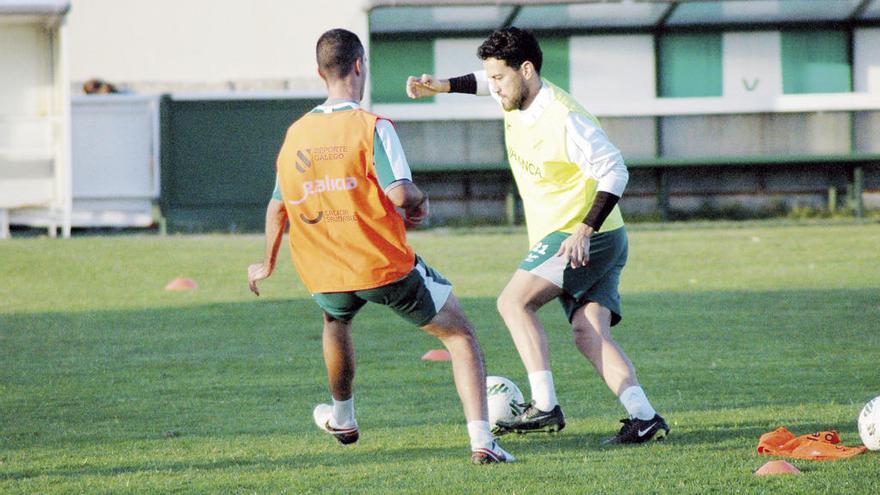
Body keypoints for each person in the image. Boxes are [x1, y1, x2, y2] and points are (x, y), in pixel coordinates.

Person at [247, 28, 513, 464]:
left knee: (336, 322)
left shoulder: (296, 133)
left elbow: (278, 208)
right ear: (359, 66)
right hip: (381, 264)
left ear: (319, 73)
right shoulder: (372, 126)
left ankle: (343, 417)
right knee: (460, 335)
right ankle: (482, 441)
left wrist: (266, 262)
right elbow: (400, 195)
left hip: (324, 269)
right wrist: (421, 201)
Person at [405, 27, 668, 445]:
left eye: (499, 78)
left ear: (525, 69)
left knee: (513, 302)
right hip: (599, 236)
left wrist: (584, 228)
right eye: (489, 78)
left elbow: (616, 169)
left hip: (583, 235)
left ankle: (544, 405)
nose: (492, 87)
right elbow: (479, 82)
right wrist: (443, 86)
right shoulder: (512, 90)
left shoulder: (565, 118)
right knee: (589, 333)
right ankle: (644, 416)